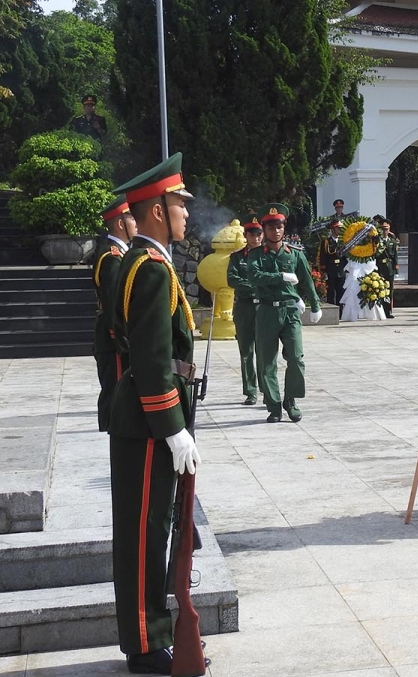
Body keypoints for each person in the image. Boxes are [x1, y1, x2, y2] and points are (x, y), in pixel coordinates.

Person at [106, 153, 204, 675]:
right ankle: (145, 646)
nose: (187, 211)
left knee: (151, 529)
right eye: (179, 203)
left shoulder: (147, 262)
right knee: (146, 534)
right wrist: (173, 429)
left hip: (145, 417)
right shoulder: (150, 268)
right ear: (157, 212)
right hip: (148, 424)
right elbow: (149, 359)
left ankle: (148, 636)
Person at [248, 203, 322, 423]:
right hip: (267, 311)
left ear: (284, 228)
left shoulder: (295, 254)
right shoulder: (255, 255)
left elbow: (307, 282)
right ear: (264, 230)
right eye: (270, 228)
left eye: (279, 226)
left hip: (290, 311)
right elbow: (254, 277)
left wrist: (315, 305)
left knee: (296, 358)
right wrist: (280, 276)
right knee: (267, 362)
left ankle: (291, 400)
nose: (275, 231)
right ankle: (274, 405)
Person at [92, 195, 137, 432]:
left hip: (114, 339)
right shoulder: (112, 258)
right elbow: (112, 305)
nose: (137, 222)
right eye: (132, 217)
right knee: (115, 393)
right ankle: (116, 442)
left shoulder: (120, 254)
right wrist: (121, 339)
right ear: (120, 223)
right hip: (113, 341)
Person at [226, 214, 265, 406]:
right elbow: (232, 279)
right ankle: (251, 391)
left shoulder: (268, 256)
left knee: (265, 350)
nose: (255, 238)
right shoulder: (237, 257)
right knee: (246, 350)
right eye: (252, 234)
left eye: (258, 234)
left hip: (264, 307)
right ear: (246, 235)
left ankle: (268, 390)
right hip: (244, 306)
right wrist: (255, 285)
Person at [375, 218, 398, 319]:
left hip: (389, 268)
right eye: (383, 229)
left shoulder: (392, 241)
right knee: (379, 289)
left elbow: (395, 256)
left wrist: (395, 268)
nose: (385, 231)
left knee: (389, 290)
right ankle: (380, 311)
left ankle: (388, 310)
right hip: (380, 267)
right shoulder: (377, 240)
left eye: (387, 229)